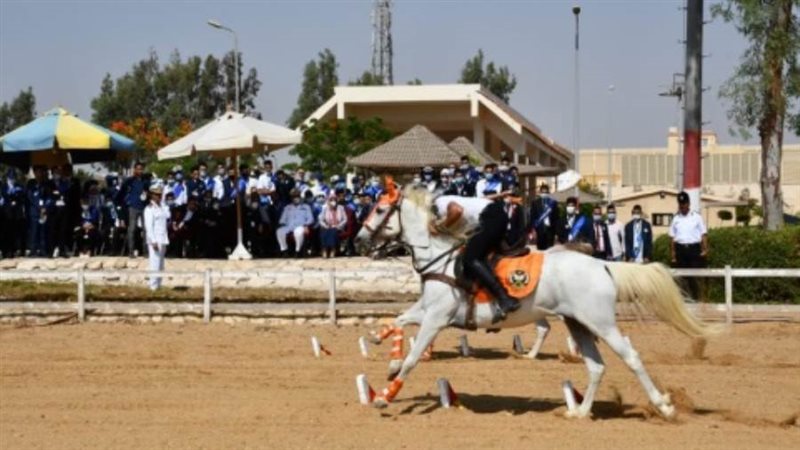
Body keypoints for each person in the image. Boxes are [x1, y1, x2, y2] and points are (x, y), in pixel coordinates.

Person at [430, 192, 520, 323]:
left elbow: (456, 211)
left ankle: (505, 299)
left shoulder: (440, 202)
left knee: (470, 258)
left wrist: (439, 228)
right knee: (478, 256)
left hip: (490, 219)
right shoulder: (458, 199)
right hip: (495, 216)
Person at [669, 191, 709, 299]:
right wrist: (673, 254)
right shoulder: (676, 219)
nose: (682, 206)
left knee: (694, 276)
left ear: (688, 203)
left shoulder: (696, 217)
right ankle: (684, 299)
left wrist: (705, 249)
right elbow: (672, 237)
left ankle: (696, 298)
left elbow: (703, 234)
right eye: (680, 204)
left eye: (684, 203)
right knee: (682, 277)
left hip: (694, 249)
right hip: (680, 249)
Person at [117, 161, 148, 257]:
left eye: (141, 169)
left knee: (146, 229)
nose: (140, 171)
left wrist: (146, 195)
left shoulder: (145, 180)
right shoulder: (130, 180)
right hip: (133, 207)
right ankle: (131, 252)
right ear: (134, 169)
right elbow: (122, 190)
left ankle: (145, 252)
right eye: (138, 169)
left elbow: (148, 191)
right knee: (132, 229)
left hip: (143, 207)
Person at [143, 183, 169, 291]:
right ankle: (153, 286)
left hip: (163, 238)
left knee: (161, 264)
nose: (159, 196)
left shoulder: (161, 207)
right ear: (152, 195)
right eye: (156, 194)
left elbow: (167, 218)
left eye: (160, 194)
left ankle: (158, 284)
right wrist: (153, 241)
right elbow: (149, 227)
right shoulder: (149, 209)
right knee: (154, 263)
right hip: (155, 239)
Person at [276, 189, 314, 257]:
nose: (295, 198)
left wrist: (306, 226)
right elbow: (282, 220)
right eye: (294, 196)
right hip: (289, 226)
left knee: (298, 233)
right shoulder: (287, 207)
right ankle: (284, 250)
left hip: (301, 226)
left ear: (300, 196)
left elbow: (310, 219)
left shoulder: (306, 207)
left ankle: (297, 251)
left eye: (297, 196)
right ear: (291, 198)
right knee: (279, 231)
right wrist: (282, 224)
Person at [528, 184, 560, 250]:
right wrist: (532, 230)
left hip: (550, 231)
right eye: (542, 192)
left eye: (546, 192)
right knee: (540, 251)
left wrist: (557, 232)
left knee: (550, 252)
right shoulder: (535, 203)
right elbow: (532, 217)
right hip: (539, 231)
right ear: (540, 193)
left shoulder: (553, 203)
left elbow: (556, 218)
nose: (544, 194)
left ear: (548, 193)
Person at [318, 194, 347, 258]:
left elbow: (345, 219)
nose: (333, 201)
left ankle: (332, 249)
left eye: (334, 200)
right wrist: (325, 225)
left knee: (333, 230)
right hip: (328, 226)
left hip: (338, 227)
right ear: (328, 201)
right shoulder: (325, 208)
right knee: (324, 231)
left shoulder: (341, 208)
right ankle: (324, 249)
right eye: (331, 200)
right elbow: (320, 219)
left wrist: (338, 226)